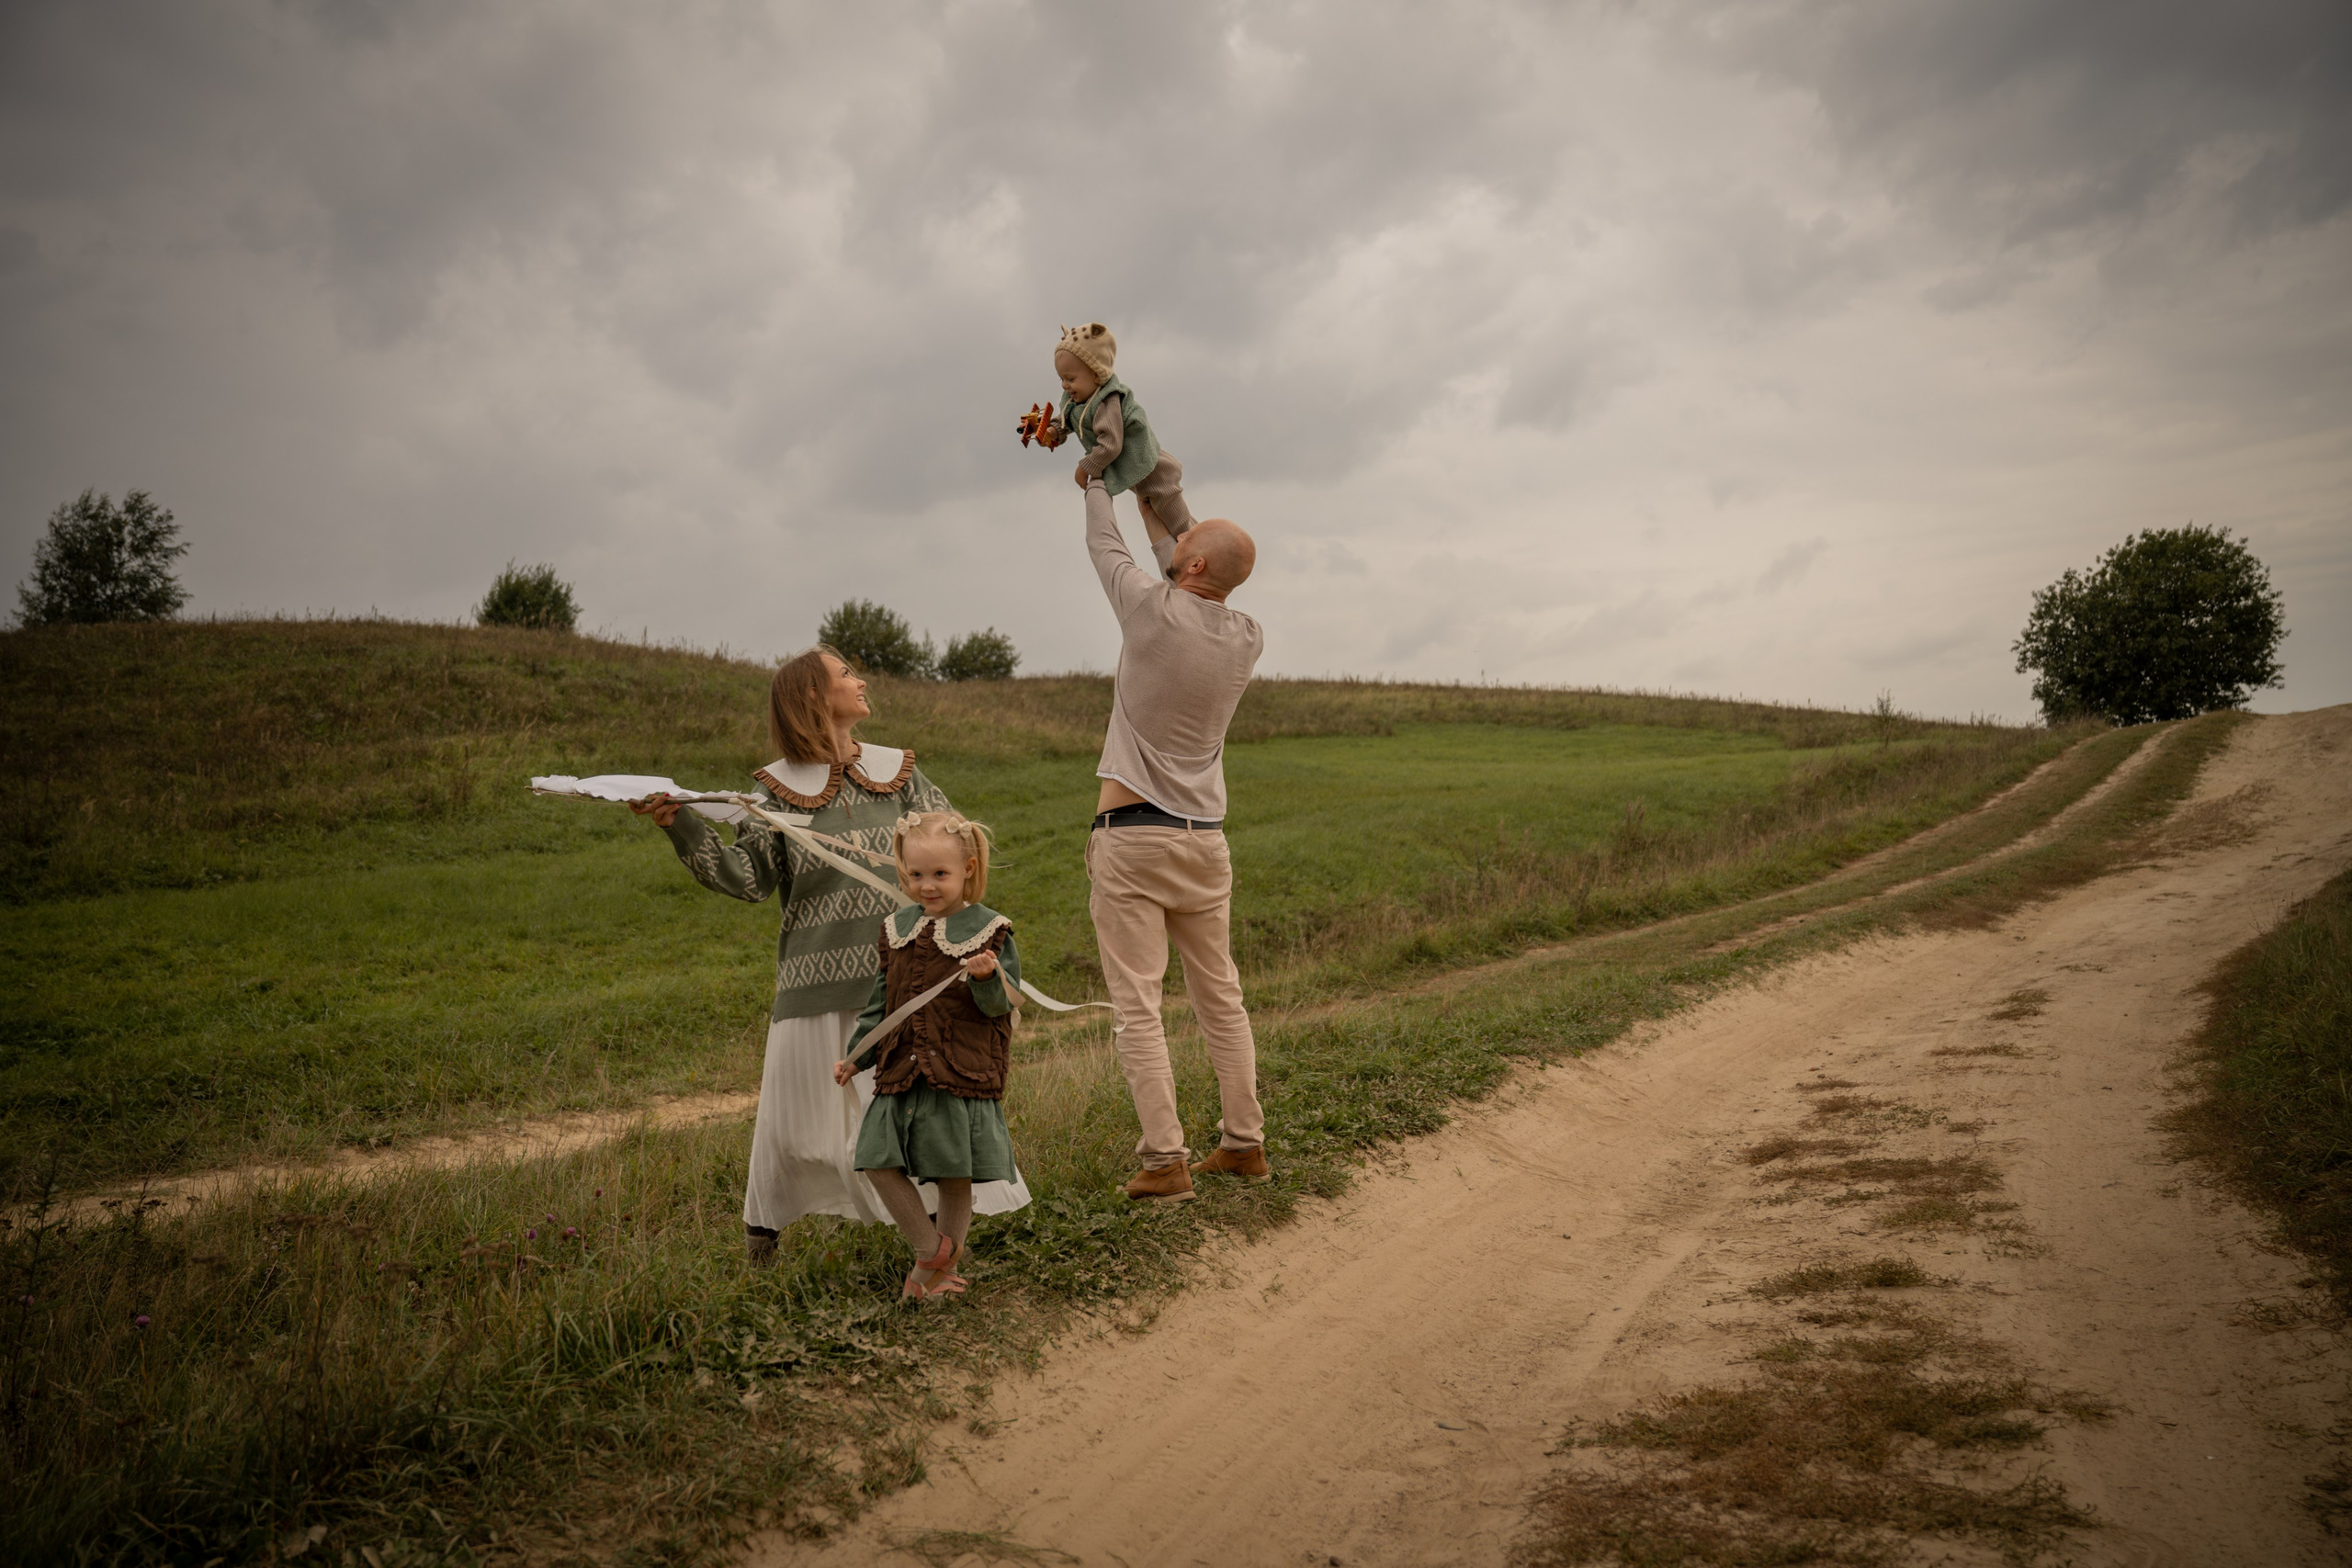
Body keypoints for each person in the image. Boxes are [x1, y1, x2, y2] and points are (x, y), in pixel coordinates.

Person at [631, 646, 1030, 1262]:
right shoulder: (773, 791)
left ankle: (937, 1249)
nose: (861, 681)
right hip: (812, 986)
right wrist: (679, 825)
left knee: (923, 1116)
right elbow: (747, 879)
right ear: (814, 695)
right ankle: (765, 1236)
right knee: (792, 1128)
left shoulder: (899, 773)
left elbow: (953, 851)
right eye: (846, 674)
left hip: (906, 984)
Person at [1080, 468, 1270, 1202]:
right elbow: (1188, 557)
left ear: (1191, 566)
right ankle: (1244, 1143)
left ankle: (1166, 1159)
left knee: (1138, 1005)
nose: (1177, 539)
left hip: (1132, 839)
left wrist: (1096, 483)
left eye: (1186, 542)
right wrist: (1153, 491)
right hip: (1204, 842)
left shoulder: (1148, 609)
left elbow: (1105, 546)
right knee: (1221, 996)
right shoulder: (1247, 637)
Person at [831, 812, 1023, 1299]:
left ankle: (934, 1279)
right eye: (916, 874)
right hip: (901, 1067)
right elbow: (882, 1005)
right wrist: (857, 1056)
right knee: (874, 1157)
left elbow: (1003, 1006)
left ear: (968, 869)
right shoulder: (896, 928)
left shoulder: (990, 930)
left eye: (940, 873)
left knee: (955, 1171)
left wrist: (986, 979)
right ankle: (932, 1250)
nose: (927, 885)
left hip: (959, 1068)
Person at [1048, 322, 1198, 580]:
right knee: (1163, 522)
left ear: (1097, 374)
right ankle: (1188, 563)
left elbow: (1111, 444)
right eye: (1061, 379)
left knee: (1181, 526)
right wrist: (1053, 432)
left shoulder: (1108, 402)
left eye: (1071, 379)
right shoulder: (1080, 399)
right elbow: (1069, 418)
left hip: (1154, 471)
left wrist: (1086, 466)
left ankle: (1206, 556)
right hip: (1139, 474)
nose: (1064, 385)